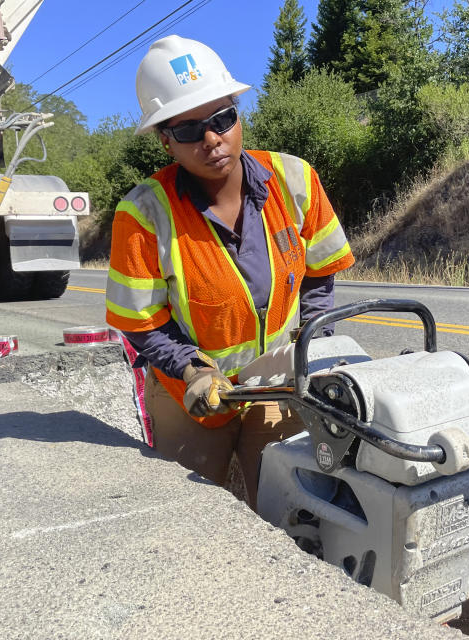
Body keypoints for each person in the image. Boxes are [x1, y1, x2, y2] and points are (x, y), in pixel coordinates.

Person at [105, 35, 355, 510]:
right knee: (192, 517)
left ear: (239, 114)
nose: (211, 139)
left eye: (222, 119)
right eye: (188, 130)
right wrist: (191, 369)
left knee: (286, 510)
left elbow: (321, 273)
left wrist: (315, 343)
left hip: (278, 384)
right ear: (164, 139)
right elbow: (138, 321)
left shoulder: (295, 180)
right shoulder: (143, 214)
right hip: (192, 396)